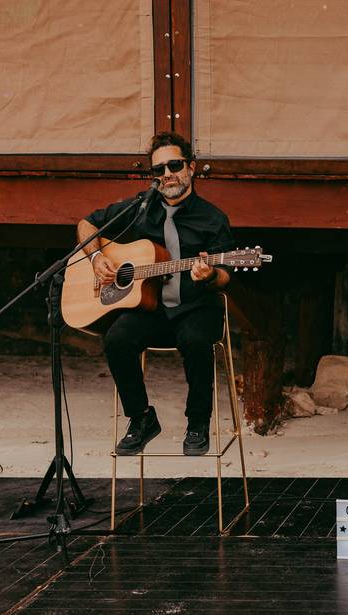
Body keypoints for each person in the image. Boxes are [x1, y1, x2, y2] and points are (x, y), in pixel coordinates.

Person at [76, 132, 234, 456]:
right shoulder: (141, 206)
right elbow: (86, 225)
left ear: (191, 167)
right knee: (117, 338)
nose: (166, 175)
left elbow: (225, 275)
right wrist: (96, 258)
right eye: (158, 170)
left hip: (195, 306)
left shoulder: (213, 218)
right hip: (153, 308)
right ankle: (141, 419)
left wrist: (209, 274)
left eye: (174, 165)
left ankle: (198, 423)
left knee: (195, 340)